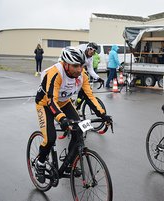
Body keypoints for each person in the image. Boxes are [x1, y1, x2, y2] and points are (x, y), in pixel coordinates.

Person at [34, 47, 111, 183]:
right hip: (45, 103)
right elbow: (51, 100)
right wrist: (62, 118)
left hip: (64, 103)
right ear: (66, 64)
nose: (79, 69)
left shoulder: (82, 75)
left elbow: (90, 97)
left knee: (79, 130)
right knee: (50, 138)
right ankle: (40, 163)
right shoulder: (56, 73)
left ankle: (70, 163)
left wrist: (103, 115)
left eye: (81, 65)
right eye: (75, 66)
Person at [76, 42, 104, 110]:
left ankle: (77, 107)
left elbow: (90, 70)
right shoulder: (81, 53)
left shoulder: (90, 58)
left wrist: (98, 78)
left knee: (83, 91)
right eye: (91, 49)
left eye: (94, 51)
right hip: (74, 71)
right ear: (87, 48)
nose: (92, 51)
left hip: (80, 72)